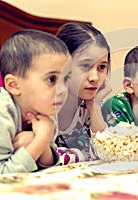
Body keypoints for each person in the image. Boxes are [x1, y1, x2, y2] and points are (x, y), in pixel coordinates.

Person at [0, 29, 70, 174]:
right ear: (13, 85)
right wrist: (41, 139)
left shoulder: (45, 109)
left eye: (66, 79)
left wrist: (41, 141)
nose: (63, 89)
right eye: (52, 79)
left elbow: (50, 170)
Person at [54, 22, 112, 163]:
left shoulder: (92, 106)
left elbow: (106, 152)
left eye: (102, 67)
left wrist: (94, 106)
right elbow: (43, 157)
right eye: (85, 66)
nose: (94, 78)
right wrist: (83, 155)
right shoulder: (46, 104)